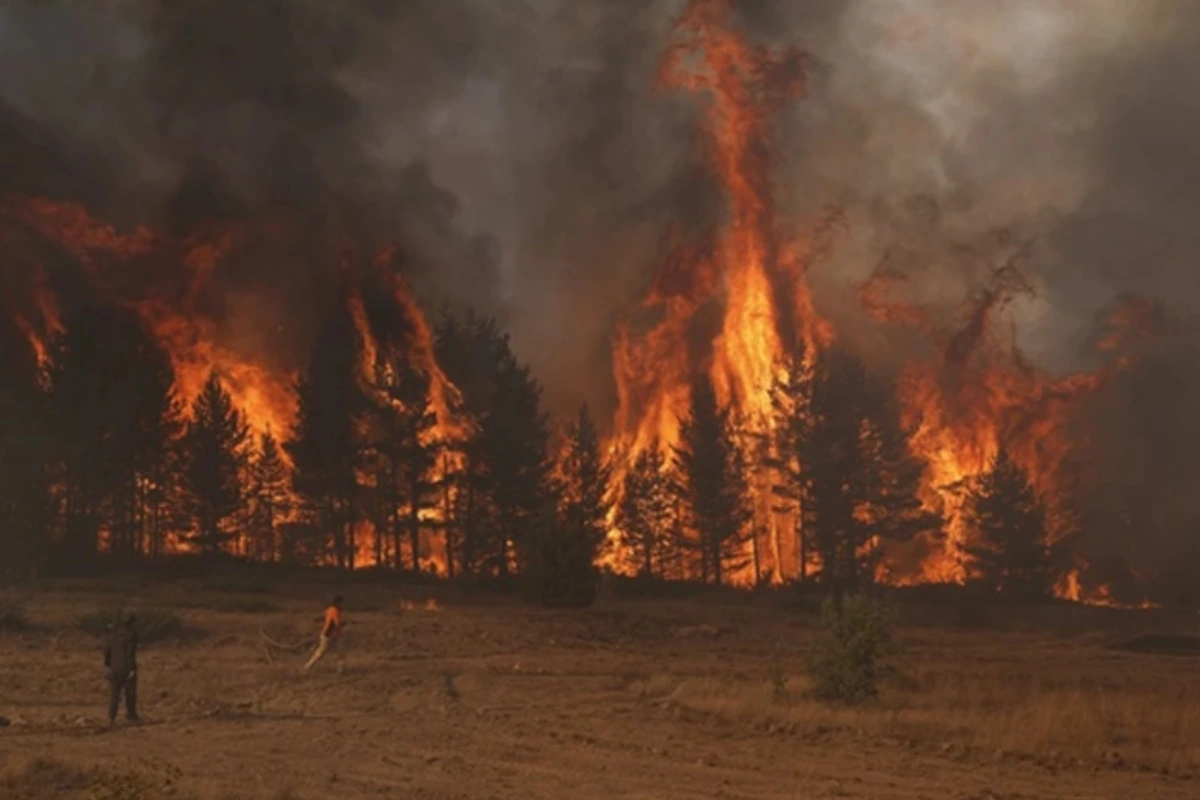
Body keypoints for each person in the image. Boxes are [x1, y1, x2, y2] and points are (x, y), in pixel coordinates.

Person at [104, 613, 139, 726]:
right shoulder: (131, 635)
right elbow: (130, 653)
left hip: (114, 667)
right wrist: (132, 668)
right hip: (126, 667)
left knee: (114, 693)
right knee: (130, 693)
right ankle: (131, 715)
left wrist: (108, 666)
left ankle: (112, 716)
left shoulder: (112, 635)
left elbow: (107, 652)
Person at [304, 595, 343, 671]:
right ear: (338, 603)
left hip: (327, 634)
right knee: (322, 652)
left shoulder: (329, 610)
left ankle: (341, 668)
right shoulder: (335, 611)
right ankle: (308, 665)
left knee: (339, 651)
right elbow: (337, 623)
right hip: (330, 635)